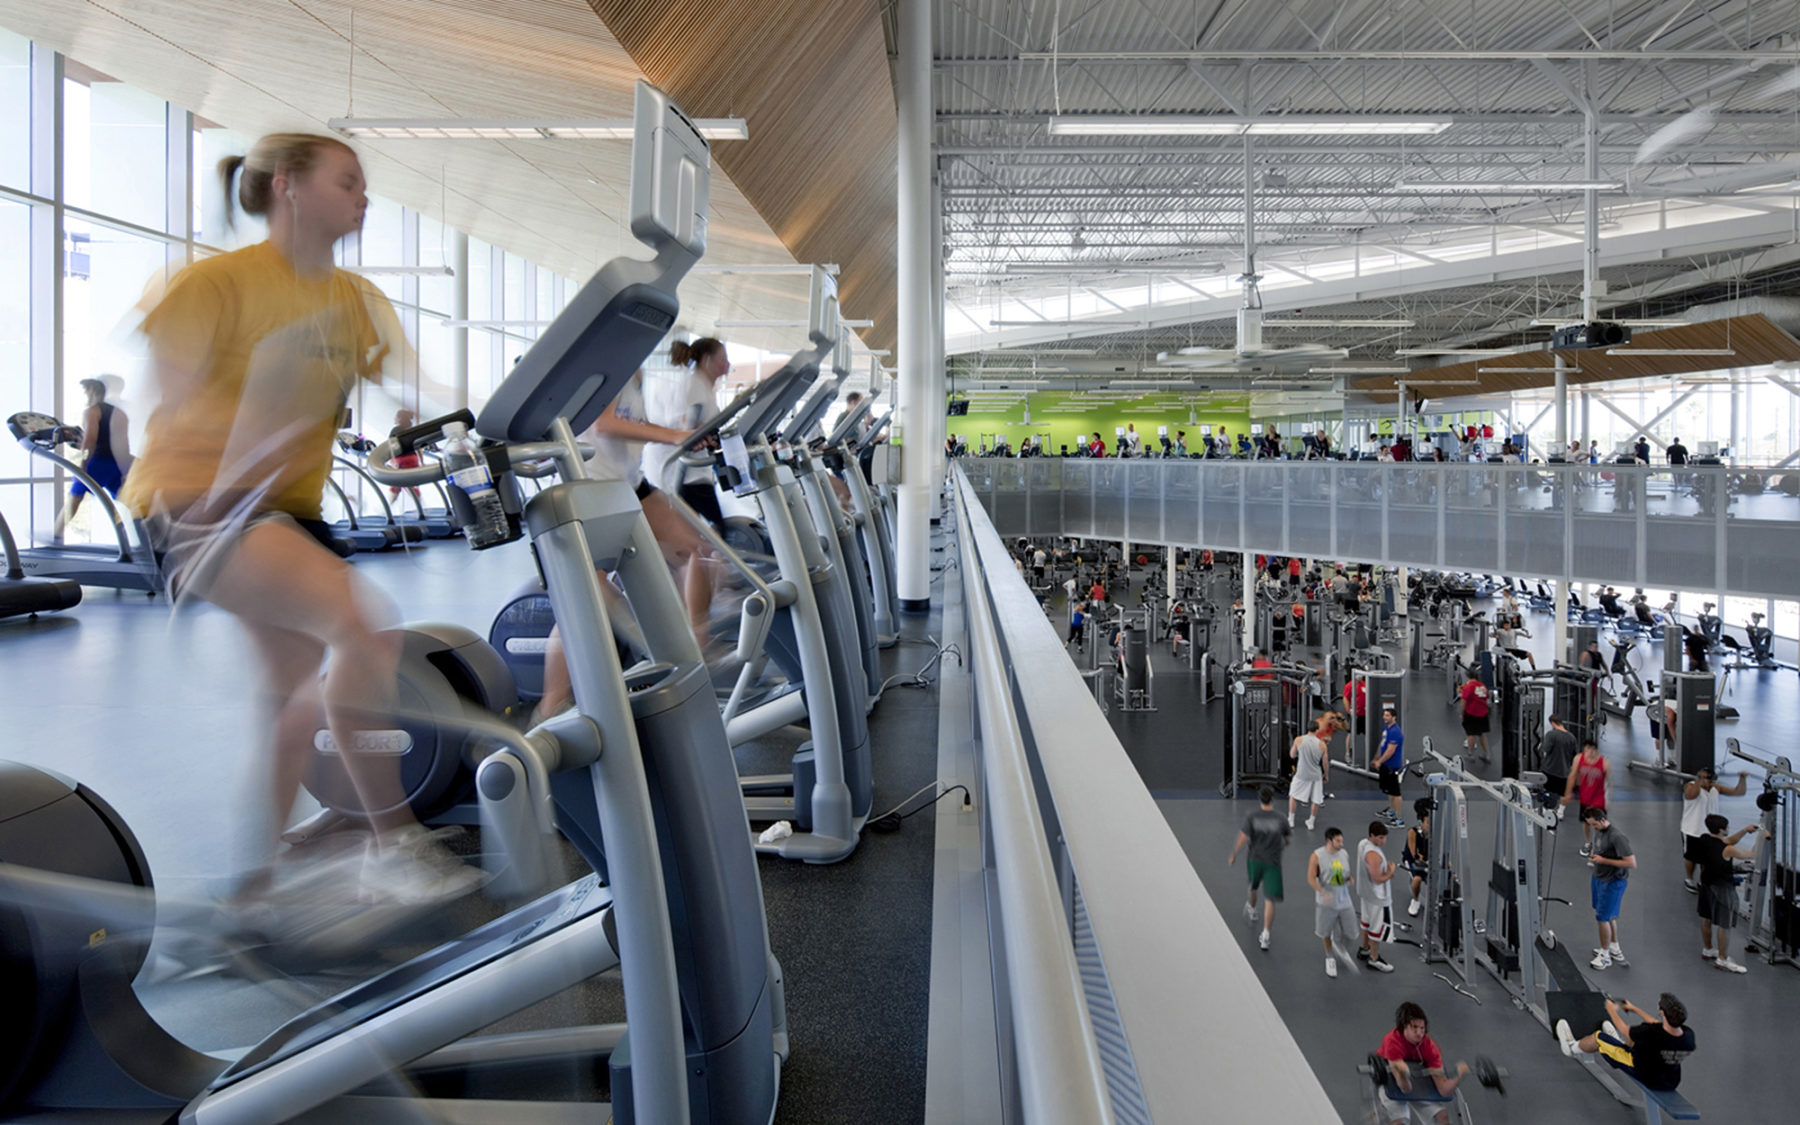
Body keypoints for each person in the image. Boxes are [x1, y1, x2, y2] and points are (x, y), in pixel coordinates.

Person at [120, 132, 480, 906]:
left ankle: (256, 883)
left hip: (287, 511)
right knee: (365, 626)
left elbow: (413, 393)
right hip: (200, 505)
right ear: (287, 186)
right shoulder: (215, 283)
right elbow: (165, 395)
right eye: (347, 182)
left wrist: (436, 432)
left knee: (292, 692)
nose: (364, 197)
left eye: (363, 186)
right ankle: (393, 842)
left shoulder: (354, 299)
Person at [52, 376, 133, 542]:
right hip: (118, 463)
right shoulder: (119, 412)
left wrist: (83, 464)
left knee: (75, 496)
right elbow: (121, 441)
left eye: (85, 391)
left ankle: (55, 536)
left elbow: (90, 440)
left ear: (92, 391)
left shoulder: (92, 411)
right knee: (129, 501)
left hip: (99, 462)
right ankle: (152, 536)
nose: (85, 396)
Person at [1557, 993, 1694, 1092]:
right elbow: (1657, 1024)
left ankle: (1571, 1048)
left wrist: (1611, 1010)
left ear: (1663, 1014)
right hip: (1670, 1081)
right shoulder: (1687, 1036)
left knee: (1599, 1037)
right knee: (1643, 1046)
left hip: (1644, 1074)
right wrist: (1634, 1009)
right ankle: (1616, 1044)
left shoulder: (1649, 1033)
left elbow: (1625, 1030)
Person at [1375, 1002, 1473, 1125]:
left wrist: (1459, 1077)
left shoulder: (1429, 1047)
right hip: (1391, 1084)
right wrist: (1403, 1074)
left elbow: (1443, 1090)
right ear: (1404, 1027)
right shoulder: (1392, 1041)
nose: (1419, 1033)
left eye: (1422, 1028)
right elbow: (1404, 1088)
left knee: (1442, 1117)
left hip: (1418, 1083)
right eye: (1414, 1027)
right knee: (1399, 1122)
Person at [1693, 813, 1760, 972]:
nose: (1729, 830)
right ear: (1722, 830)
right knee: (1725, 925)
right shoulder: (1728, 849)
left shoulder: (1705, 839)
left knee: (1706, 919)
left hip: (1706, 885)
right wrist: (1761, 838)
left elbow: (1728, 840)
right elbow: (1752, 855)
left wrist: (1745, 830)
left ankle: (1708, 949)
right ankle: (1722, 959)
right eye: (1727, 828)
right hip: (1723, 890)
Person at [1228, 785, 1291, 952]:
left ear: (1260, 799)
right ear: (1273, 799)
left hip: (1255, 860)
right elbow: (1286, 839)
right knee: (1270, 900)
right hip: (1273, 863)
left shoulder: (1252, 817)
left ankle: (1252, 908)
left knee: (1253, 887)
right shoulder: (1281, 818)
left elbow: (1243, 837)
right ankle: (1266, 935)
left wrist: (1234, 853)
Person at [1585, 805, 1636, 969]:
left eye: (1594, 825)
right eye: (1591, 825)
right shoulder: (1599, 831)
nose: (1593, 828)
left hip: (1613, 881)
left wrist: (1603, 861)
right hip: (1599, 878)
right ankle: (1614, 947)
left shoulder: (1617, 837)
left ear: (1602, 820)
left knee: (1602, 918)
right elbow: (1598, 847)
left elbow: (1631, 863)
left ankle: (1605, 955)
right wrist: (1594, 855)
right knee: (1608, 915)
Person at [1682, 766, 1749, 891]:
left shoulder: (1715, 788)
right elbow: (1691, 795)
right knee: (1691, 857)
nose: (1709, 782)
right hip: (1692, 829)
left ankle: (1704, 880)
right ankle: (1689, 879)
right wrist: (1699, 780)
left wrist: (1742, 778)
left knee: (1707, 859)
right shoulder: (1691, 786)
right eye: (1706, 779)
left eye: (1710, 779)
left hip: (1709, 831)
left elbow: (1738, 792)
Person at [1308, 827, 1360, 978]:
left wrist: (1349, 878)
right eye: (1338, 841)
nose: (1341, 843)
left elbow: (1345, 872)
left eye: (1341, 840)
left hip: (1344, 899)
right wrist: (1322, 892)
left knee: (1352, 933)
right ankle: (1329, 957)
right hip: (1326, 903)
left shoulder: (1344, 854)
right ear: (1329, 841)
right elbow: (1311, 878)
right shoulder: (1317, 856)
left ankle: (1338, 945)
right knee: (1325, 932)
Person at [1357, 821, 1399, 972]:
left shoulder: (1362, 844)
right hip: (1378, 897)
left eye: (1384, 837)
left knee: (1366, 922)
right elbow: (1377, 878)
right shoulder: (1374, 855)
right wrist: (1390, 872)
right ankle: (1374, 959)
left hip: (1366, 893)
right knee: (1377, 927)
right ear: (1372, 836)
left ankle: (1364, 949)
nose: (1383, 841)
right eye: (1380, 838)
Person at [1288, 712, 1338, 830]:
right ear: (1317, 730)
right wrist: (1326, 775)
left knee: (1293, 795)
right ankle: (1311, 822)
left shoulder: (1298, 740)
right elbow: (1325, 763)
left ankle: (1291, 819)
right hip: (1315, 775)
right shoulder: (1322, 744)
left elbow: (1292, 755)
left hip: (1301, 773)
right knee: (1316, 799)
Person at [1564, 740, 1610, 855]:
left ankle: (1598, 848)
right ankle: (1588, 843)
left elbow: (1609, 783)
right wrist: (1568, 793)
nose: (1587, 752)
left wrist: (1607, 800)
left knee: (1599, 824)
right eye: (1585, 749)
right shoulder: (1579, 759)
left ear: (1594, 750)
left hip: (1598, 799)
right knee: (1586, 822)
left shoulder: (1604, 763)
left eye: (1589, 749)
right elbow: (1573, 775)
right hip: (1585, 798)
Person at [1539, 714, 1578, 818]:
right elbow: (1574, 755)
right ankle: (1560, 812)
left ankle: (1546, 810)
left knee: (1548, 790)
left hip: (1550, 769)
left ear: (1552, 723)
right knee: (1563, 793)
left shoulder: (1551, 735)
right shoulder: (1572, 737)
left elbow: (1545, 749)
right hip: (1564, 771)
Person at [1373, 706, 1405, 828]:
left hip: (1392, 766)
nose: (1385, 717)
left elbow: (1390, 751)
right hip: (1386, 765)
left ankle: (1398, 818)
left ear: (1394, 717)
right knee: (1390, 790)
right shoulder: (1386, 728)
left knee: (1396, 792)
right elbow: (1383, 745)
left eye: (1387, 716)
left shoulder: (1396, 732)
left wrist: (1379, 761)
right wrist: (1376, 758)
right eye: (1384, 715)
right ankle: (1391, 810)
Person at [1402, 797, 1432, 917]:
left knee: (1448, 876)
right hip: (1412, 861)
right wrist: (1422, 860)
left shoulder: (1434, 833)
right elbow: (1414, 853)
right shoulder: (1413, 832)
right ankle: (1415, 900)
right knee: (1417, 879)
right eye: (1428, 822)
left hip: (1428, 861)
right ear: (1421, 822)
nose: (1430, 825)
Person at [1458, 669, 1491, 763]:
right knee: (1482, 734)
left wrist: (1462, 714)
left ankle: (1470, 754)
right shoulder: (1482, 686)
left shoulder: (1469, 686)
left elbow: (1463, 702)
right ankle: (1486, 754)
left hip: (1472, 713)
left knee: (1471, 734)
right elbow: (1486, 697)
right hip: (1483, 714)